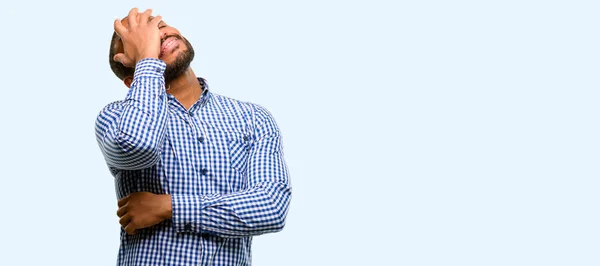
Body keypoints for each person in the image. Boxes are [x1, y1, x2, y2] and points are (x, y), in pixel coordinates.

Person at [95, 8, 292, 266]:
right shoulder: (115, 119)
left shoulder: (252, 118)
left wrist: (171, 207)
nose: (160, 35)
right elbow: (138, 144)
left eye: (159, 26)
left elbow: (271, 207)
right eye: (143, 40)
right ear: (133, 79)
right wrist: (148, 59)